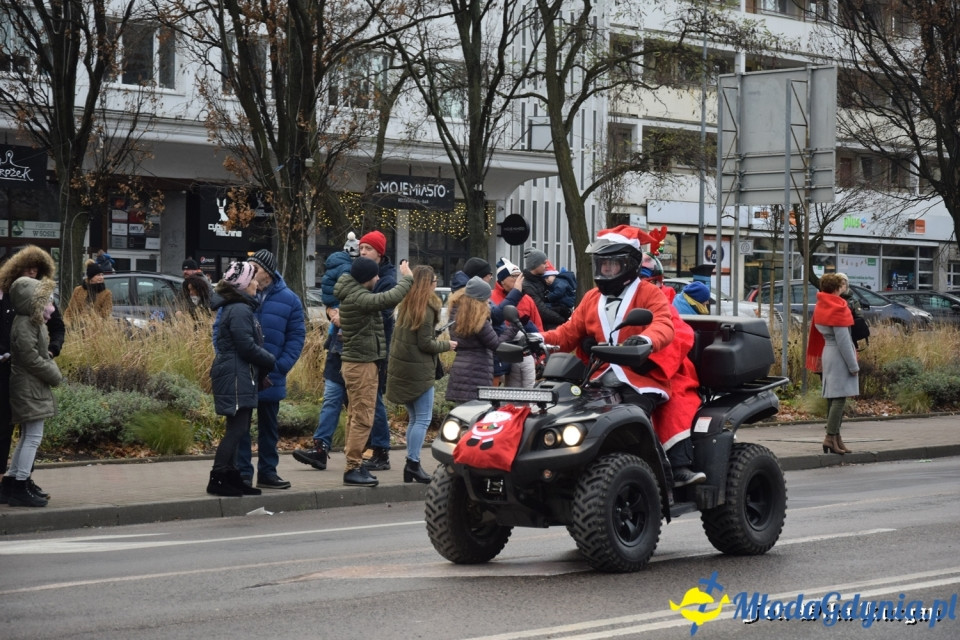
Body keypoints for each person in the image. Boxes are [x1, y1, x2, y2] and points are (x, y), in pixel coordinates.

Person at [538, 225, 706, 487]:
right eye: (602, 264)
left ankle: (664, 474)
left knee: (633, 415)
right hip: (597, 376)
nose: (605, 270)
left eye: (612, 264)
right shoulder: (591, 297)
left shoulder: (649, 293)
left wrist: (646, 340)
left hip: (639, 376)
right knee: (563, 411)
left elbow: (664, 324)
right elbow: (567, 334)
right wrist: (538, 339)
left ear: (629, 264)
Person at [334, 256, 413, 486]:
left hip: (358, 363)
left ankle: (354, 463)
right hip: (361, 365)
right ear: (365, 278)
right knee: (363, 418)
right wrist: (408, 278)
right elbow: (389, 298)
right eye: (375, 275)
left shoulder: (353, 292)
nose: (378, 278)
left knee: (355, 416)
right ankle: (352, 468)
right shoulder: (358, 297)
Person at [235, 249, 305, 490]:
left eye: (255, 267)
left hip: (272, 374)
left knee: (269, 428)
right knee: (241, 427)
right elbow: (219, 328)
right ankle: (243, 473)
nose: (250, 271)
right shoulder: (239, 292)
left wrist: (280, 366)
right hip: (242, 371)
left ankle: (268, 472)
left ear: (268, 271)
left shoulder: (290, 300)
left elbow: (296, 336)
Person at [0, 246, 65, 502]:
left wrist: (51, 350)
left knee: (28, 434)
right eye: (28, 268)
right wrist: (53, 373)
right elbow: (28, 355)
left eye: (36, 269)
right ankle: (18, 483)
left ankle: (17, 480)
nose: (32, 272)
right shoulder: (25, 318)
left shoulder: (31, 314)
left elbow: (56, 329)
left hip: (26, 379)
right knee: (29, 435)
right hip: (23, 379)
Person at [207, 261, 276, 497]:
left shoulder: (238, 307)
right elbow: (245, 346)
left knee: (239, 427)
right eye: (253, 279)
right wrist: (270, 359)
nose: (257, 284)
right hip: (236, 374)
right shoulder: (239, 309)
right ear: (244, 284)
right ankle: (218, 477)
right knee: (237, 429)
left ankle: (231, 476)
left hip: (238, 373)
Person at [292, 232, 359, 471]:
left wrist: (334, 312)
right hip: (338, 344)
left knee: (363, 404)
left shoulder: (363, 274)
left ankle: (376, 448)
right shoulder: (355, 272)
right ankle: (321, 448)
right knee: (333, 397)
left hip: (355, 346)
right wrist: (334, 313)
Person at [385, 266, 456, 483]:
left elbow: (415, 339)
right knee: (423, 419)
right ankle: (413, 463)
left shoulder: (407, 305)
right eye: (434, 280)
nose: (436, 283)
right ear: (428, 284)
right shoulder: (426, 309)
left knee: (414, 419)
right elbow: (425, 344)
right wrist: (447, 345)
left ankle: (411, 464)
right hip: (419, 372)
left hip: (404, 370)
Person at [355, 230, 400, 472]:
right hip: (363, 345)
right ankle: (368, 445)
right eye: (361, 248)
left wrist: (355, 316)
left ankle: (381, 450)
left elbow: (383, 315)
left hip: (378, 347)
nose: (363, 252)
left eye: (368, 249)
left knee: (375, 399)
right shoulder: (360, 275)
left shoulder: (387, 281)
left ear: (380, 254)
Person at [805, 273, 859, 455]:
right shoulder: (838, 307)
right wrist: (853, 365)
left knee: (832, 397)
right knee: (839, 398)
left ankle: (836, 438)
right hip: (838, 356)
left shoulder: (821, 305)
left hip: (827, 352)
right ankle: (830, 437)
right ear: (837, 288)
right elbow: (843, 341)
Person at [445, 276, 519, 403]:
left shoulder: (456, 314)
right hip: (477, 372)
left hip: (460, 370)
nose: (488, 302)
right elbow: (496, 345)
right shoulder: (478, 319)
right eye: (486, 299)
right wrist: (514, 327)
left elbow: (456, 344)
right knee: (478, 413)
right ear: (479, 300)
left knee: (461, 413)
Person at [491, 257, 541, 388]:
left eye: (520, 276)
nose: (518, 280)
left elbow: (538, 327)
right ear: (502, 280)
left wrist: (539, 355)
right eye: (514, 276)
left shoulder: (527, 299)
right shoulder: (491, 298)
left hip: (524, 356)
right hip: (499, 357)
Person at [521, 248, 569, 330]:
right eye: (544, 263)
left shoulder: (541, 280)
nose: (547, 266)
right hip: (542, 328)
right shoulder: (527, 286)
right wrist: (563, 320)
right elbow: (541, 311)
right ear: (535, 265)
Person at [837, 272, 870, 349]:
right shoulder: (831, 299)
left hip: (849, 335)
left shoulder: (852, 301)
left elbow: (859, 317)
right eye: (838, 284)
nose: (841, 286)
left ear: (847, 285)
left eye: (843, 283)